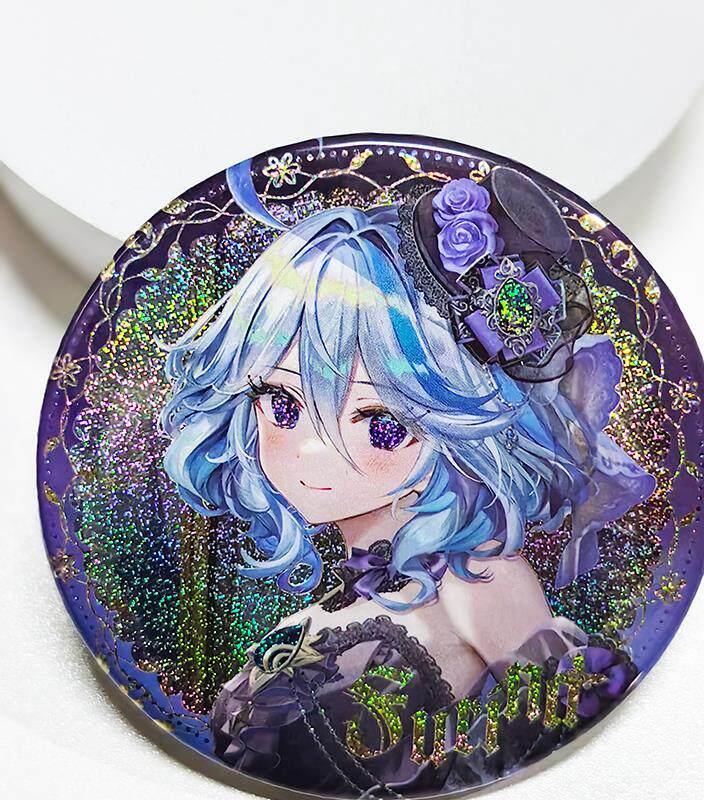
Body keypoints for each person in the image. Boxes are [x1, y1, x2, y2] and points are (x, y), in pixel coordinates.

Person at [160, 171, 654, 795]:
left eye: (381, 423)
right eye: (282, 404)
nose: (312, 449)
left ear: (457, 428)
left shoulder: (476, 576)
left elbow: (574, 734)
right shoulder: (341, 601)